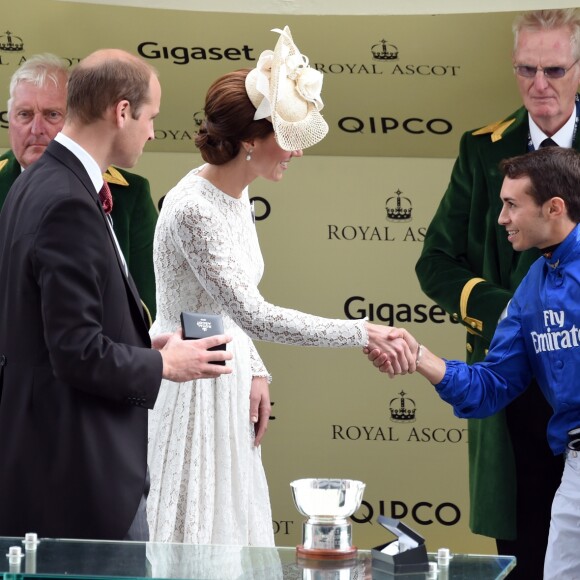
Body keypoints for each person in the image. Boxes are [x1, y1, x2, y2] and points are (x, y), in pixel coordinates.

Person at [146, 26, 414, 546]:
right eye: (286, 139)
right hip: (191, 392)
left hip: (225, 376)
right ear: (250, 141)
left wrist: (257, 369)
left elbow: (229, 306)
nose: (296, 153)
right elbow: (254, 314)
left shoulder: (235, 193)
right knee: (192, 544)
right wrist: (362, 333)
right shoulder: (193, 209)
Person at [0, 48, 233, 541]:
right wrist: (165, 366)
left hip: (55, 465)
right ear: (121, 111)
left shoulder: (40, 184)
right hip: (77, 479)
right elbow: (76, 352)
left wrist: (143, 346)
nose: (151, 132)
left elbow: (53, 332)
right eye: (150, 117)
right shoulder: (66, 200)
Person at [414, 9, 580, 576]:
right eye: (526, 69)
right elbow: (434, 262)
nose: (540, 85)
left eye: (555, 69)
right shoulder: (482, 149)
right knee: (527, 544)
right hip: (512, 373)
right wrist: (509, 310)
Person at [374, 147, 580, 580]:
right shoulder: (531, 289)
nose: (501, 218)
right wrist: (423, 359)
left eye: (511, 205)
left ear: (554, 207)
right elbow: (492, 384)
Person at [0, 53, 159, 319]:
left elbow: (147, 299)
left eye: (52, 114)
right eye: (24, 115)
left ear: (75, 118)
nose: (36, 128)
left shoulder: (128, 194)